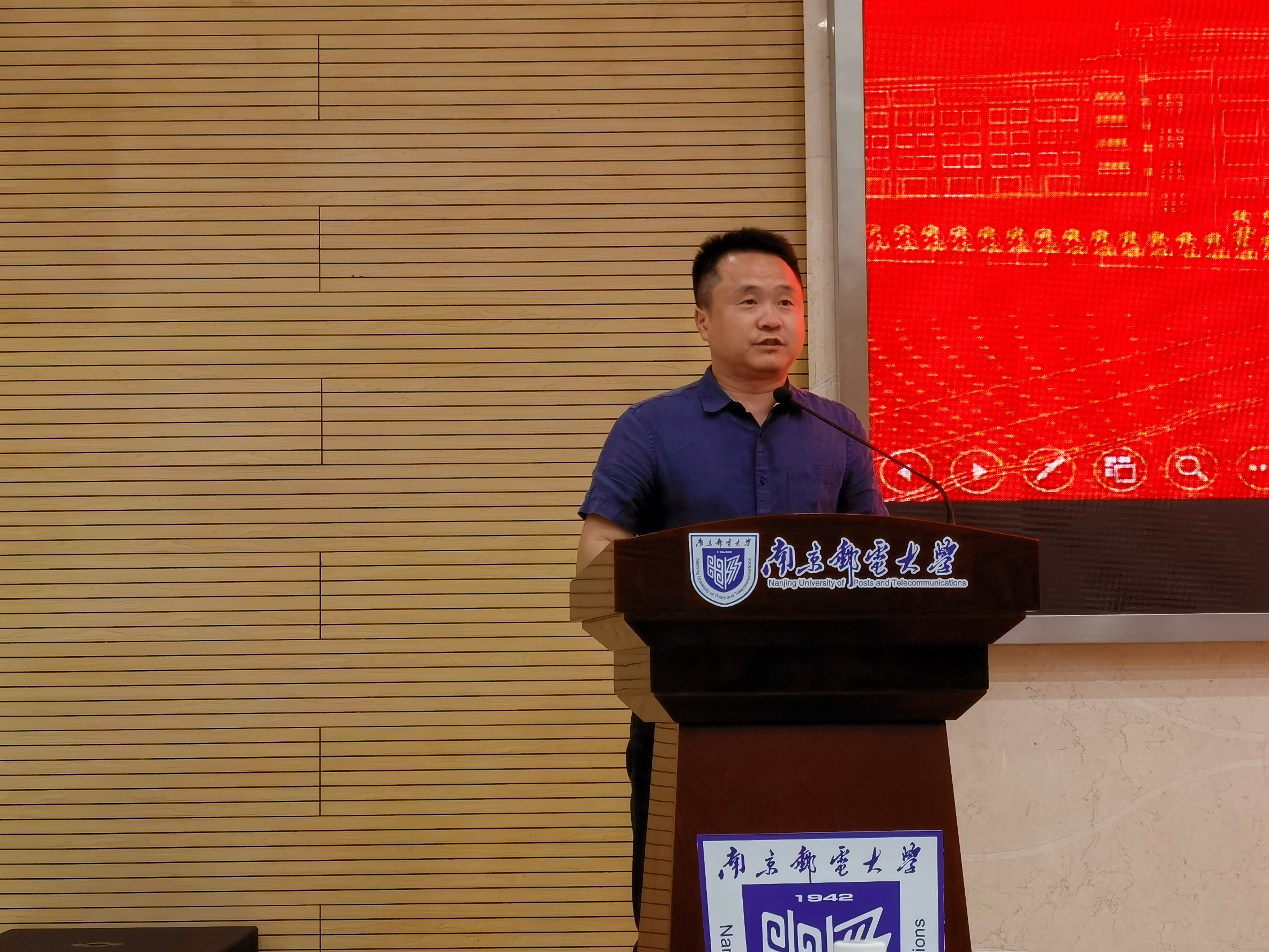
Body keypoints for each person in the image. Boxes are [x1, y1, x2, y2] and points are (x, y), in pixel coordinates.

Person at [575, 227, 888, 932]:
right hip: (684, 712)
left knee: (812, 912)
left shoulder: (838, 430)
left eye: (786, 301)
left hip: (822, 715)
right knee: (684, 915)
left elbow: (881, 558)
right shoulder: (649, 429)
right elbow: (598, 558)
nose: (772, 318)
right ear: (703, 320)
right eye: (748, 301)